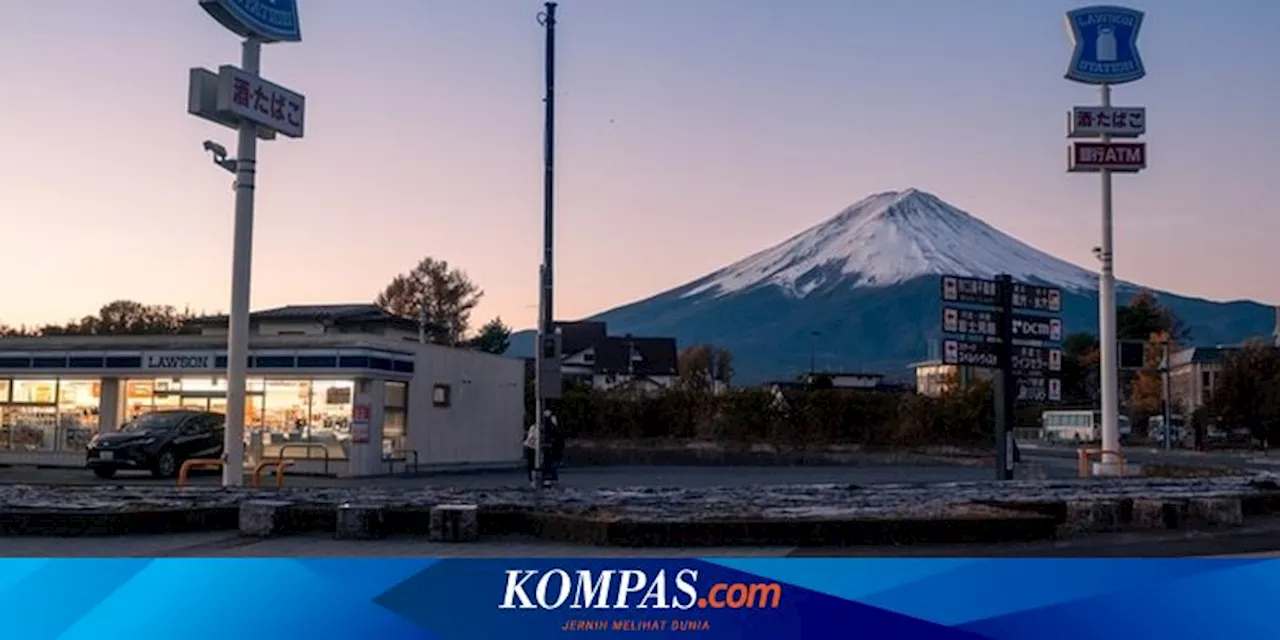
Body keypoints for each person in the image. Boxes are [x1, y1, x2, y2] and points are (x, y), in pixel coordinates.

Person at [523, 421, 539, 486]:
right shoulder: (534, 427)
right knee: (531, 464)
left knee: (532, 464)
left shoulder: (534, 427)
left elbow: (530, 437)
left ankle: (533, 479)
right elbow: (530, 437)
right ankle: (532, 479)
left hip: (533, 447)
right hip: (532, 447)